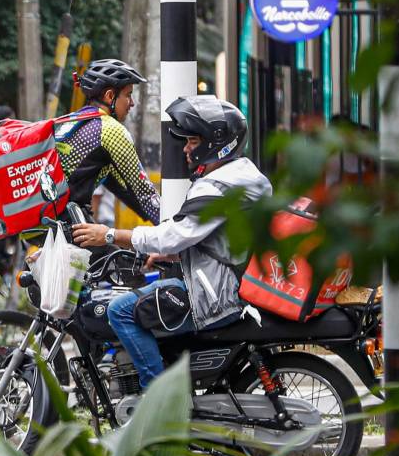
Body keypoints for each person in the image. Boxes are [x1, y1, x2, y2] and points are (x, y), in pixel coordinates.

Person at [72, 95, 272, 388]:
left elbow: (172, 235)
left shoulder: (218, 186)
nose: (187, 149)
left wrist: (110, 235)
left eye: (193, 141)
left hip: (214, 296)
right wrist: (173, 256)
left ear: (214, 142)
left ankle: (159, 402)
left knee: (120, 310)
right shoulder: (241, 175)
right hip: (227, 285)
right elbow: (219, 240)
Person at [57, 59, 160, 225]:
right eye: (128, 95)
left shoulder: (75, 121)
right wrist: (173, 231)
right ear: (110, 96)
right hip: (67, 223)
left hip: (48, 221)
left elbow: (120, 186)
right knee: (122, 250)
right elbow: (144, 192)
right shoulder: (110, 129)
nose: (131, 103)